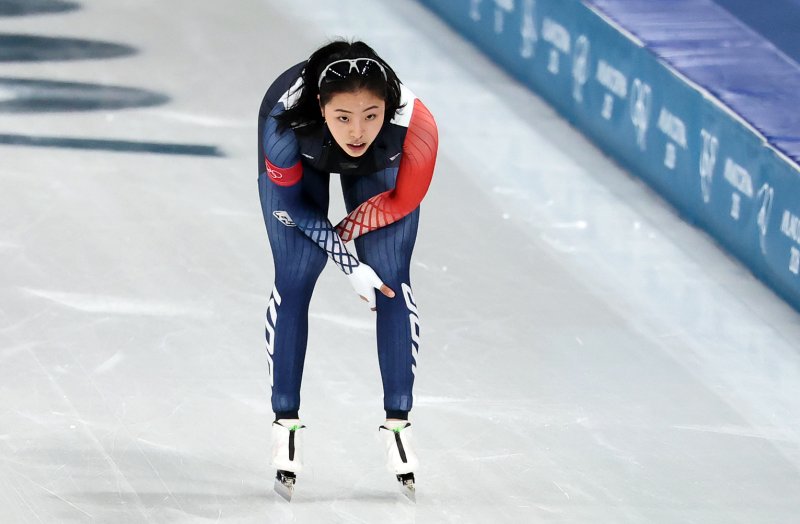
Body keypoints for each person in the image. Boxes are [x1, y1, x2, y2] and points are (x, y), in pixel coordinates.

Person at [257, 39, 438, 496]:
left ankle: (399, 424)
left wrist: (345, 252)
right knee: (296, 274)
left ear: (389, 108)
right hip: (303, 155)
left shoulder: (417, 128)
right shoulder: (284, 124)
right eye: (343, 118)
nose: (357, 132)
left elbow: (401, 201)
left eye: (371, 116)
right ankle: (286, 424)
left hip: (382, 178)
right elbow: (295, 207)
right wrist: (345, 262)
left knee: (390, 280)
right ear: (320, 108)